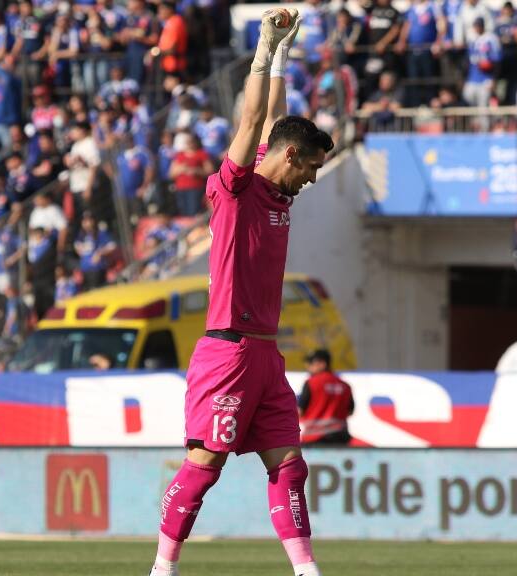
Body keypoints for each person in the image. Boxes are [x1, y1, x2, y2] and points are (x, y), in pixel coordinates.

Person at [150, 9, 332, 576]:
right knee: (204, 466)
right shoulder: (236, 191)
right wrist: (261, 49)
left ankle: (305, 571)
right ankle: (162, 569)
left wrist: (283, 55)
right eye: (311, 166)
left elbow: (276, 120)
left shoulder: (277, 192)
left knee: (290, 467)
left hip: (265, 354)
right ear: (291, 156)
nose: (312, 178)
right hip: (226, 351)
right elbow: (254, 120)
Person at [298, 349, 354, 444]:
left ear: (322, 364)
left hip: (315, 439)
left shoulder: (312, 383)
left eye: (311, 363)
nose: (308, 367)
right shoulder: (345, 386)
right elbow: (350, 411)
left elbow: (300, 411)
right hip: (341, 438)